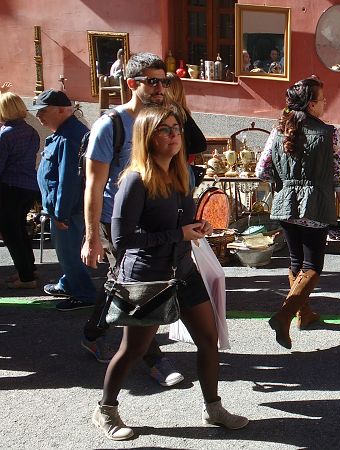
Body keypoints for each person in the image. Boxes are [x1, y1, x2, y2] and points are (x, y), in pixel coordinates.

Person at [91, 106, 247, 441]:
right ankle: (105, 410)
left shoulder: (182, 175)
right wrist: (180, 234)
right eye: (165, 130)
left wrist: (196, 227)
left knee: (208, 340)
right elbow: (123, 240)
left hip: (183, 270)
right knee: (133, 350)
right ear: (148, 136)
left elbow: (178, 224)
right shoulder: (134, 180)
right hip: (148, 278)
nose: (174, 135)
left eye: (176, 128)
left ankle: (213, 408)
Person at [80, 52, 185, 386]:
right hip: (117, 222)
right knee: (140, 288)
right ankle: (155, 360)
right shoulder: (109, 125)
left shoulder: (165, 119)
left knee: (119, 283)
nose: (159, 88)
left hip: (154, 221)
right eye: (152, 81)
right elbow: (93, 185)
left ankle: (92, 332)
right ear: (131, 84)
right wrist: (91, 236)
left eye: (164, 81)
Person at [255, 75, 340, 350]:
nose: (325, 104)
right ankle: (285, 316)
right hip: (316, 205)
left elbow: (261, 170)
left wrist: (283, 182)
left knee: (296, 261)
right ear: (311, 105)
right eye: (322, 100)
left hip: (285, 205)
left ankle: (304, 314)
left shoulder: (279, 130)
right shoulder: (329, 133)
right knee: (313, 266)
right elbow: (339, 176)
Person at [30, 89, 96, 310]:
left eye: (43, 112)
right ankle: (68, 283)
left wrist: (60, 213)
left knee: (69, 254)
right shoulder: (67, 132)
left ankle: (84, 294)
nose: (39, 117)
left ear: (60, 111)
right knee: (68, 253)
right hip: (68, 208)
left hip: (68, 210)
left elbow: (69, 179)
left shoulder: (69, 136)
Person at [0, 92, 40, 289]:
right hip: (28, 186)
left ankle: (26, 276)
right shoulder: (30, 130)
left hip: (10, 187)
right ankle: (28, 269)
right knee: (19, 229)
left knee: (11, 233)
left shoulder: (4, 134)